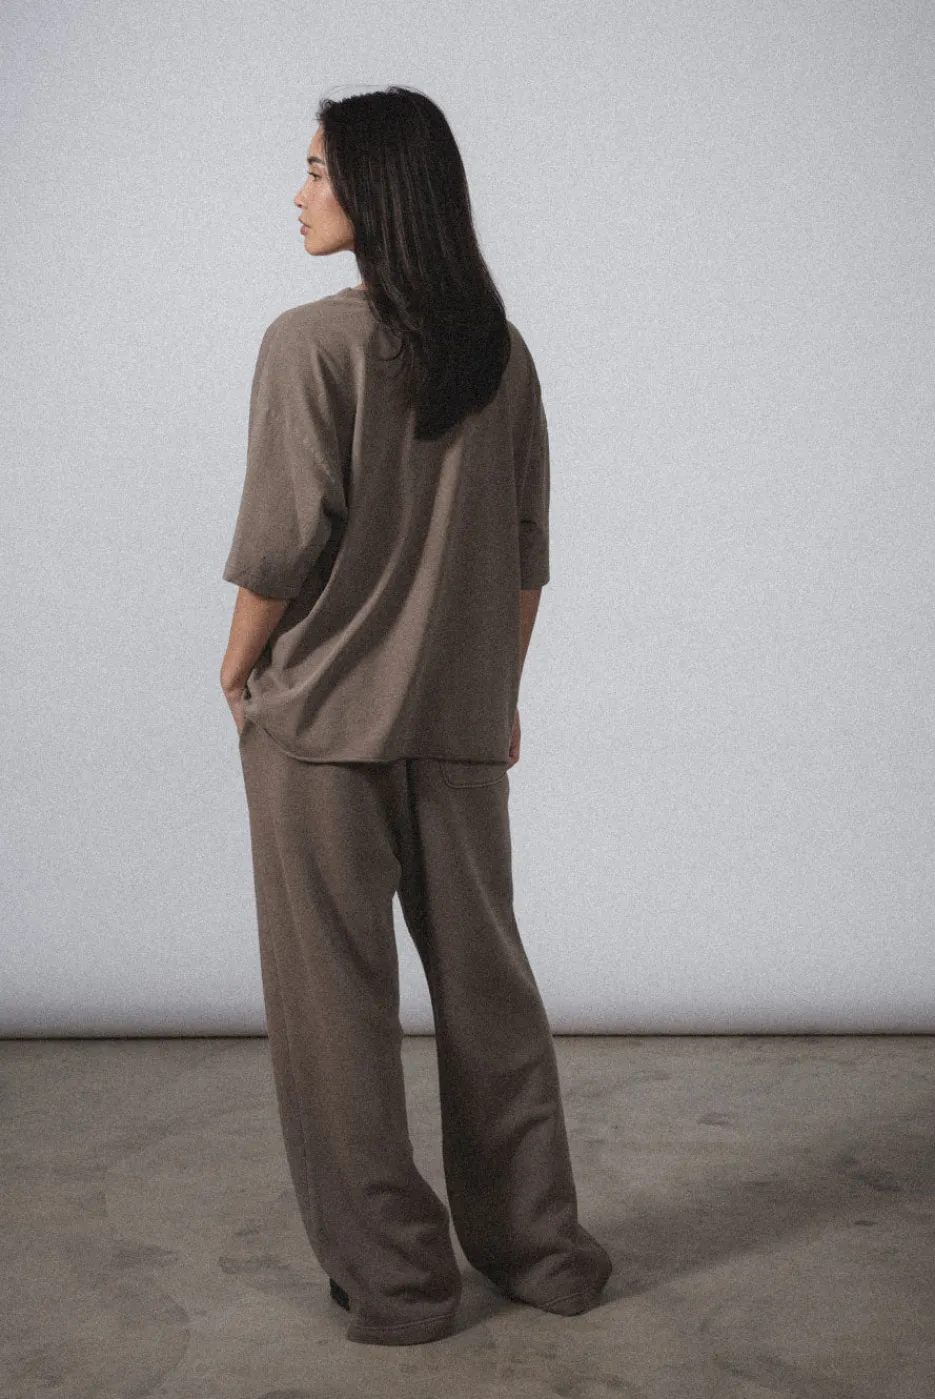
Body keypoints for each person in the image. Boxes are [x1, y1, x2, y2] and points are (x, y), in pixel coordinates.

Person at [219, 85, 612, 1347]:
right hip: (456, 725)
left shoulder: (308, 344)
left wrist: (234, 672)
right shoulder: (500, 352)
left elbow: (280, 545)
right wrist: (492, 695)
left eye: (318, 169)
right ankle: (543, 1254)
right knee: (490, 997)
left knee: (334, 1017)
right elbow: (524, 556)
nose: (298, 193)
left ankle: (399, 1285)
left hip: (319, 729)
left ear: (378, 190)